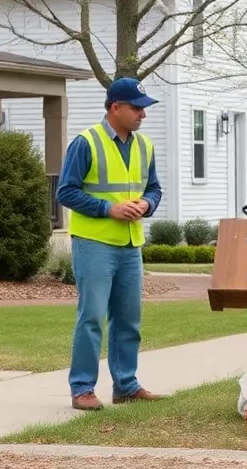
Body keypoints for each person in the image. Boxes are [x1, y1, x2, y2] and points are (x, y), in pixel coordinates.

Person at [56, 77, 167, 411]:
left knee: (128, 319)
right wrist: (109, 208)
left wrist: (148, 204)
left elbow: (155, 189)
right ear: (115, 107)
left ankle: (127, 385)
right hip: (94, 243)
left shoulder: (144, 146)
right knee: (91, 317)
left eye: (144, 109)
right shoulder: (85, 143)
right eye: (136, 108)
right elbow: (65, 191)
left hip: (130, 245)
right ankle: (82, 389)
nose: (142, 116)